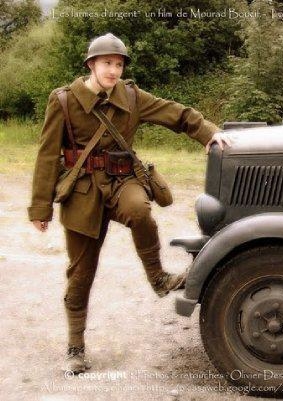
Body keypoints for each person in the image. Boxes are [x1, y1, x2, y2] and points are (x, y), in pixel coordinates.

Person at [27, 33, 230, 374]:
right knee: (81, 273)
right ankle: (75, 346)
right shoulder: (63, 100)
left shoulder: (132, 96)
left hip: (123, 181)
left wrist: (208, 132)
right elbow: (47, 156)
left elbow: (174, 112)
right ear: (91, 64)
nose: (113, 70)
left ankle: (158, 278)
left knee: (140, 210)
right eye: (107, 63)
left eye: (119, 64)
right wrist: (40, 208)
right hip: (82, 191)